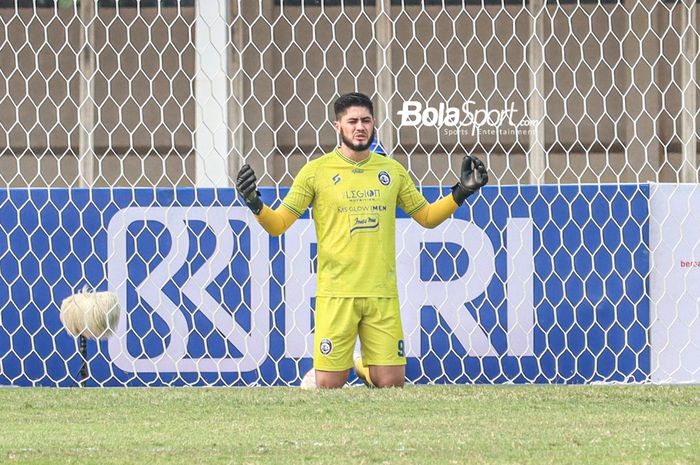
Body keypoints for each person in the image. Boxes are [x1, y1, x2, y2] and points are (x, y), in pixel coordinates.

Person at [235, 92, 488, 389]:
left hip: (381, 293)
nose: (360, 127)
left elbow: (427, 217)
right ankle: (350, 364)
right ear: (337, 126)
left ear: (374, 124)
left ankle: (361, 366)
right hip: (336, 294)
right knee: (329, 385)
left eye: (366, 120)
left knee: (391, 384)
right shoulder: (316, 173)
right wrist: (254, 203)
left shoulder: (392, 172)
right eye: (352, 121)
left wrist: (462, 192)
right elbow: (278, 225)